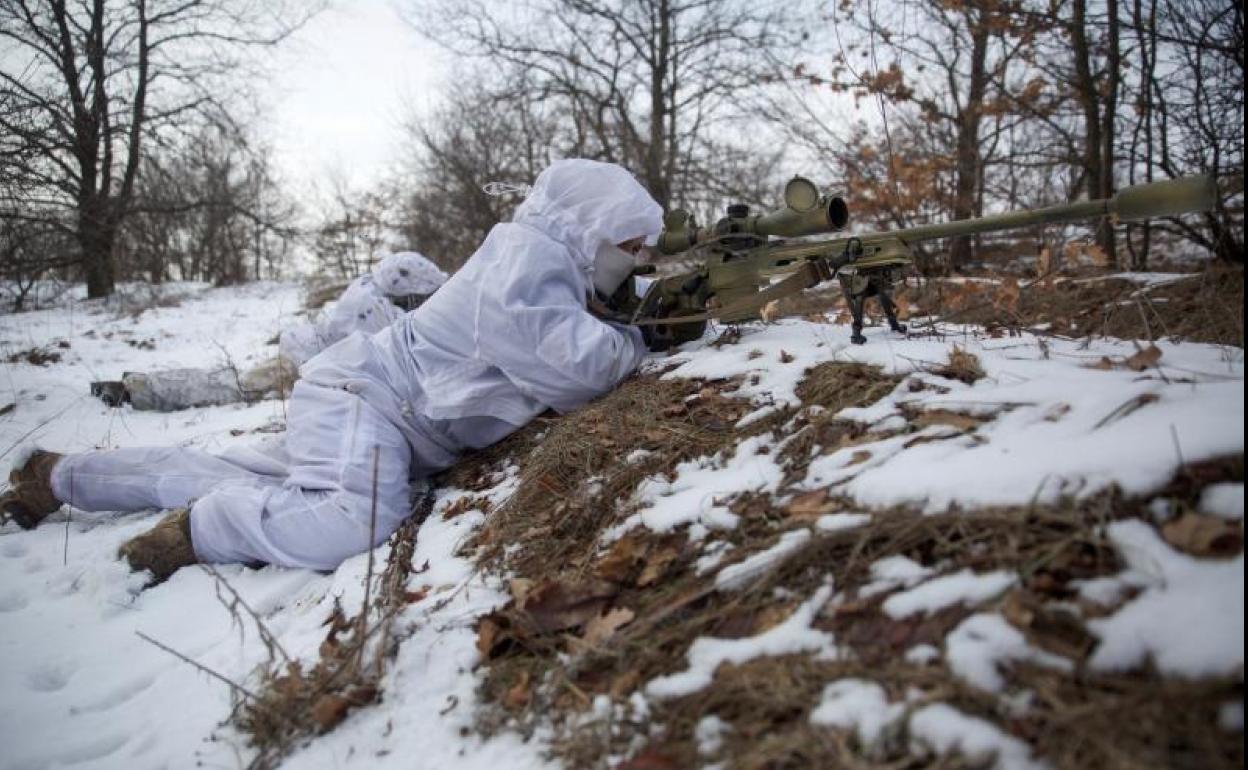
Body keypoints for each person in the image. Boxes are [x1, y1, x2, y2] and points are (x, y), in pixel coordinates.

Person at [1, 160, 661, 582]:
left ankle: (57, 475)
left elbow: (559, 337)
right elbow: (573, 368)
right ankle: (201, 531)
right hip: (365, 399)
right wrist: (642, 337)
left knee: (231, 470)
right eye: (631, 247)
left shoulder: (538, 259)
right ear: (593, 228)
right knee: (360, 514)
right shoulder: (527, 258)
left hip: (365, 400)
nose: (635, 260)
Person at [89, 252, 449, 411]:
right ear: (405, 289)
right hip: (299, 363)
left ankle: (139, 385)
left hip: (304, 354)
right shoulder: (371, 307)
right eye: (419, 297)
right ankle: (135, 390)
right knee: (232, 387)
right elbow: (376, 359)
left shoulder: (376, 288)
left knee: (230, 383)